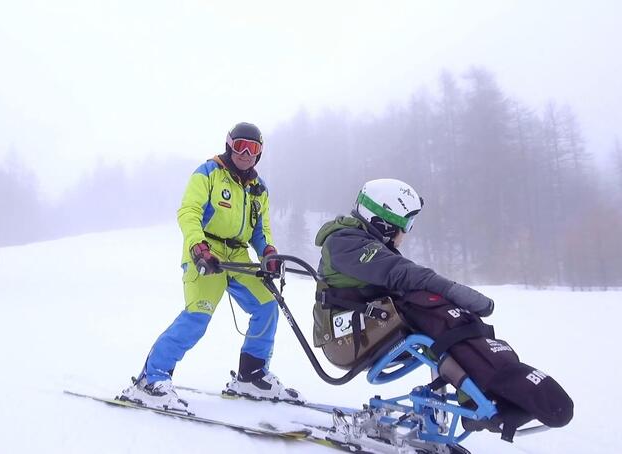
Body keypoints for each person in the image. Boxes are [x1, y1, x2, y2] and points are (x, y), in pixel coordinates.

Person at [313, 178, 572, 436]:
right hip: (345, 338)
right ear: (382, 220)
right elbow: (400, 273)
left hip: (373, 326)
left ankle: (490, 385)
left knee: (440, 311)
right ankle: (488, 391)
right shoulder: (344, 243)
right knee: (431, 309)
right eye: (405, 225)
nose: (406, 233)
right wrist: (452, 290)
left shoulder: (370, 244)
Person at [121, 122, 303, 413]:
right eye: (240, 145)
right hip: (207, 252)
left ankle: (251, 375)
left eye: (252, 148)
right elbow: (189, 212)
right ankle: (151, 380)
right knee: (198, 314)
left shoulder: (259, 189)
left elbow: (261, 230)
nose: (245, 153)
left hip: (238, 256)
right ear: (229, 144)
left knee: (267, 305)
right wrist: (198, 247)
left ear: (259, 153)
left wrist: (268, 252)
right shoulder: (208, 173)